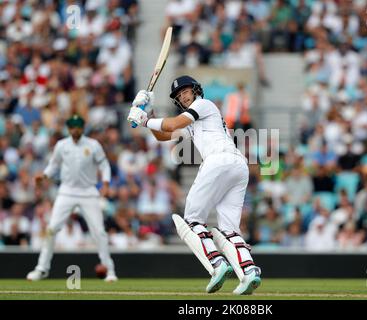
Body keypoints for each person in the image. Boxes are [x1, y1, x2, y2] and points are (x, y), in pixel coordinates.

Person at [127, 76, 261, 295]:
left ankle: (217, 264)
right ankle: (249, 271)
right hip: (237, 166)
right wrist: (148, 113)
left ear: (196, 90)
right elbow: (164, 135)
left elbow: (173, 123)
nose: (183, 96)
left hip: (219, 161)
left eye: (185, 91)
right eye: (179, 96)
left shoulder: (203, 104)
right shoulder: (195, 122)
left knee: (192, 219)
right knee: (229, 228)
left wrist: (142, 120)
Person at [26, 115, 117, 282]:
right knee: (51, 229)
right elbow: (53, 165)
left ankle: (109, 270)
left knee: (99, 232)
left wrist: (105, 183)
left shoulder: (93, 145)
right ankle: (42, 268)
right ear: (68, 129)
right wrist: (44, 175)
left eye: (78, 126)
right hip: (66, 192)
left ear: (83, 128)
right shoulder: (62, 145)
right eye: (72, 127)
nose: (75, 129)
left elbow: (104, 165)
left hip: (88, 192)